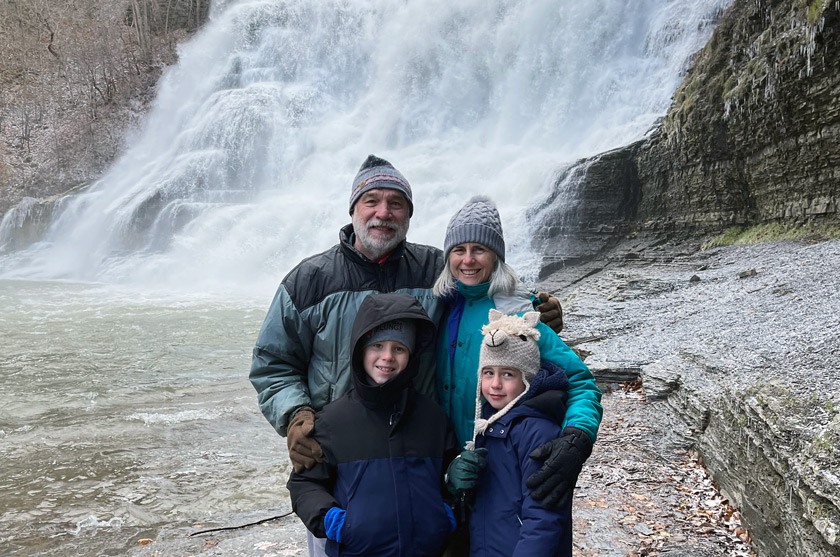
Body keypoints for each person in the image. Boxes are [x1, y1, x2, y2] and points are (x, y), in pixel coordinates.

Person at [433, 195, 602, 512]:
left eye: (479, 249)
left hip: (505, 466)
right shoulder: (440, 306)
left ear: (496, 256)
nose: (468, 260)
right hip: (446, 469)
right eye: (459, 250)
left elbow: (581, 380)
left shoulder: (516, 310)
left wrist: (577, 436)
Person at [287, 292, 460, 557]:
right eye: (377, 346)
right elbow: (304, 484)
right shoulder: (332, 421)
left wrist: (445, 515)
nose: (387, 357)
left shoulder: (432, 417)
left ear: (412, 356)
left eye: (399, 348)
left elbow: (450, 478)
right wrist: (334, 522)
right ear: (360, 350)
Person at [446, 309, 574, 556]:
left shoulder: (539, 431)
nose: (495, 384)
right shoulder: (489, 425)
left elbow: (543, 516)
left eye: (508, 374)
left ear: (527, 378)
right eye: (488, 373)